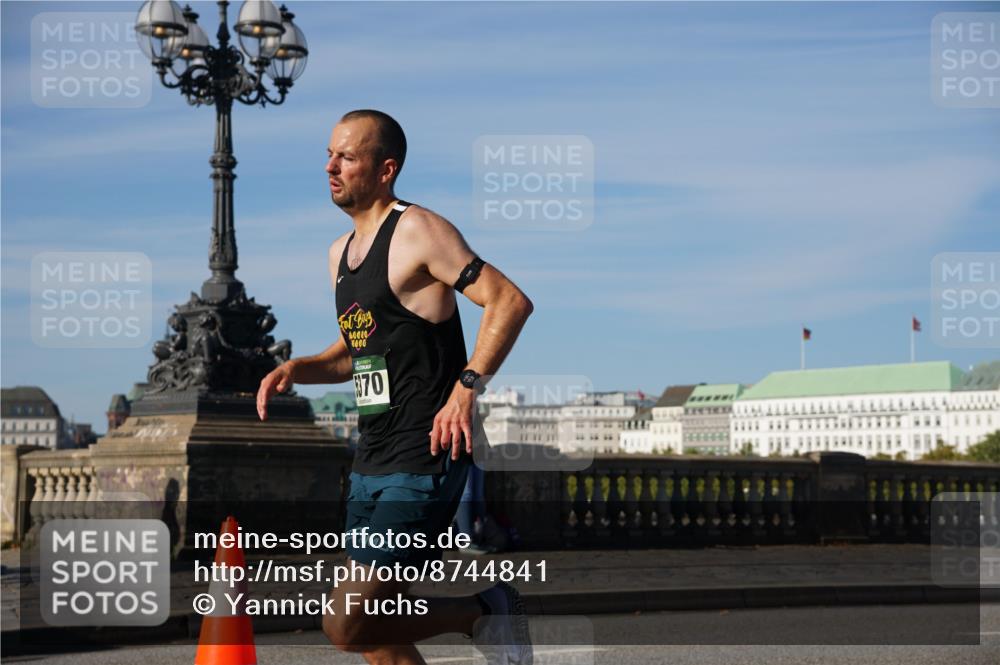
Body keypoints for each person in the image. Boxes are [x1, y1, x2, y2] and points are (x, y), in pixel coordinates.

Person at [256, 109, 534, 665]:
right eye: (329, 155)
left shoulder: (417, 230)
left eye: (347, 157)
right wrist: (300, 368)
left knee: (346, 621)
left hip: (423, 455)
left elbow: (508, 300)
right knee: (377, 636)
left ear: (386, 169)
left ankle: (486, 609)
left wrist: (465, 388)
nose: (331, 167)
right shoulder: (339, 254)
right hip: (372, 458)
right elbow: (353, 354)